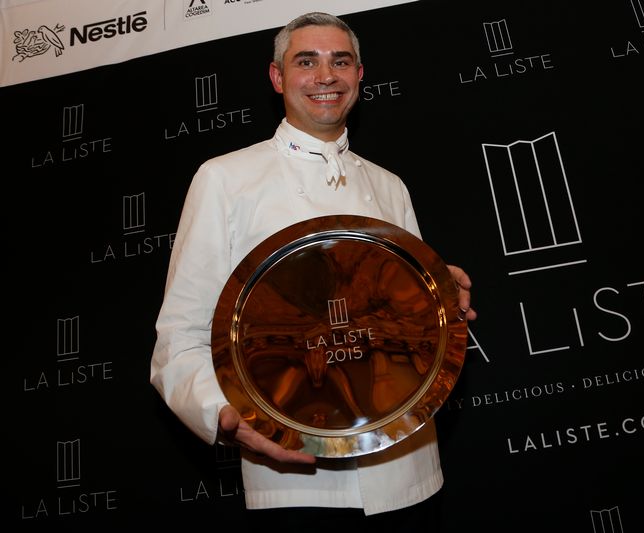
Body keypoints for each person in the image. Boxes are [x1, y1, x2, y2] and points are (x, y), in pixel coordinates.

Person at [150, 11, 476, 529]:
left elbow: (400, 318)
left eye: (340, 61)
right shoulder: (224, 179)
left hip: (409, 468)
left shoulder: (390, 185)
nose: (326, 76)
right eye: (307, 62)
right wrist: (226, 417)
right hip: (296, 481)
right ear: (278, 77)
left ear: (360, 75)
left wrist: (434, 295)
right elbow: (179, 338)